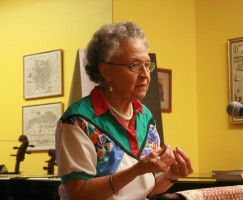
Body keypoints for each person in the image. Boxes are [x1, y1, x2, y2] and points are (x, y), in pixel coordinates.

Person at [55, 21, 193, 200]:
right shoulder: (78, 121)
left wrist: (170, 176)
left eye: (147, 65)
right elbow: (79, 193)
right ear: (106, 71)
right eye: (134, 65)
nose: (145, 74)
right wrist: (137, 169)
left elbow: (146, 189)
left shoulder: (145, 116)